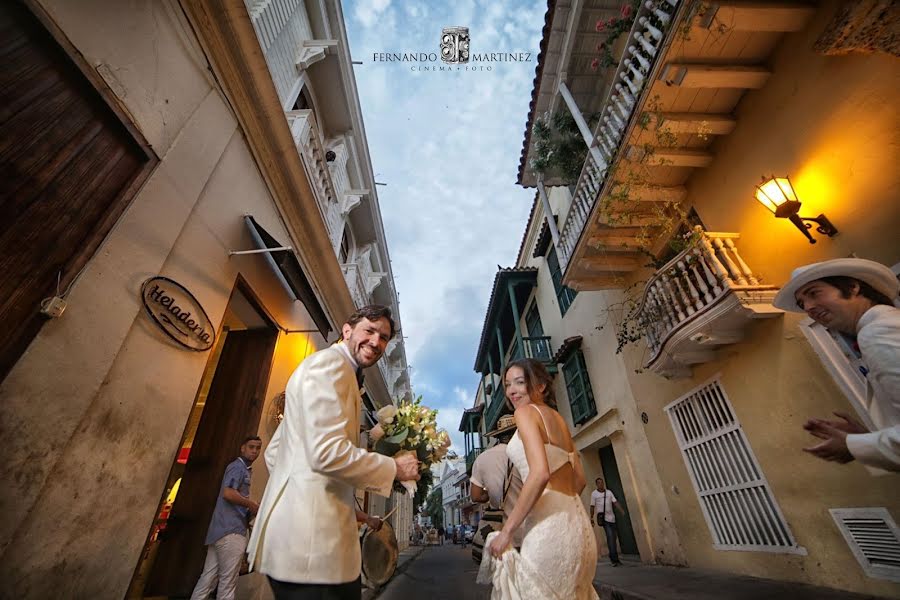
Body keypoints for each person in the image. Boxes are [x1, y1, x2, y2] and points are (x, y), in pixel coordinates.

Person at [247, 305, 420, 600]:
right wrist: (394, 467)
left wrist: (309, 484)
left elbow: (277, 451)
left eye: (384, 337)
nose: (377, 342)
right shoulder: (330, 367)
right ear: (347, 330)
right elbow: (326, 453)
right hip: (310, 549)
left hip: (317, 548)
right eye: (370, 330)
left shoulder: (342, 373)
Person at [480, 358, 598, 600]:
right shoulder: (560, 420)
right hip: (579, 528)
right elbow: (580, 480)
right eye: (507, 385)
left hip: (548, 530)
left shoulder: (525, 413)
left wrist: (507, 532)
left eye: (519, 382)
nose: (512, 390)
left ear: (541, 386)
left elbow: (540, 473)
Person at [773, 258, 900, 471]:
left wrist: (853, 446)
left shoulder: (878, 332)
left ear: (853, 287)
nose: (809, 308)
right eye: (802, 303)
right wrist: (867, 438)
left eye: (814, 293)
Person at [189, 436, 262, 600]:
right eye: (251, 447)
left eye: (258, 448)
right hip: (232, 532)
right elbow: (228, 493)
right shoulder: (238, 467)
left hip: (219, 531)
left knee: (207, 579)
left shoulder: (242, 468)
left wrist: (250, 507)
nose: (255, 451)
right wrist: (251, 504)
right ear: (242, 448)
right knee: (228, 584)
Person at [470, 414, 523, 563]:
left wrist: (490, 495)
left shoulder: (482, 459)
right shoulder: (528, 452)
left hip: (499, 532)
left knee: (503, 581)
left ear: (498, 436)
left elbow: (475, 496)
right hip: (528, 530)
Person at [589, 477, 625, 566]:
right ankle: (614, 560)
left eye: (602, 482)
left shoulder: (609, 492)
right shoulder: (594, 494)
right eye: (599, 483)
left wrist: (621, 510)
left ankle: (614, 557)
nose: (601, 484)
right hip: (604, 519)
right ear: (596, 484)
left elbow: (615, 502)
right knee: (610, 537)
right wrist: (592, 518)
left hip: (612, 518)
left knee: (614, 538)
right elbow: (592, 506)